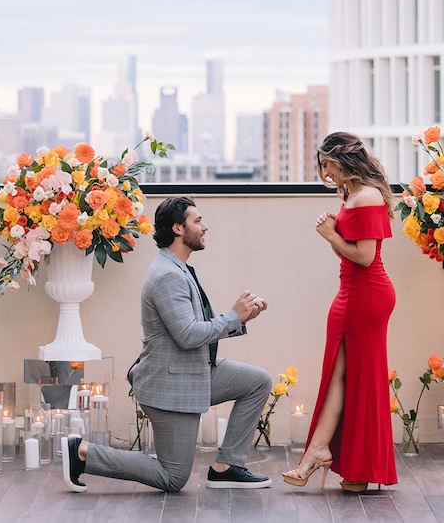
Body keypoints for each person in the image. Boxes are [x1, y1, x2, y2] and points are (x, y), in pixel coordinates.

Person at [62, 195, 273, 493]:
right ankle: (82, 452)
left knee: (257, 382)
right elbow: (187, 335)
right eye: (198, 221)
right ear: (177, 228)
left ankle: (227, 466)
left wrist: (242, 317)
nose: (205, 227)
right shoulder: (167, 275)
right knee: (173, 478)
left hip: (195, 371)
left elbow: (194, 328)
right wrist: (232, 316)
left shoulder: (178, 267)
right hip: (171, 385)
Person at [281, 132, 397, 492]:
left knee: (353, 378)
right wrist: (334, 235)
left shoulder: (366, 196)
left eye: (327, 163)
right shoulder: (355, 196)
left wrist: (331, 234)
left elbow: (363, 256)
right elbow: (350, 253)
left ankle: (324, 456)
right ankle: (345, 466)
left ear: (343, 160)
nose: (325, 171)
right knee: (344, 377)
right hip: (353, 293)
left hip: (366, 295)